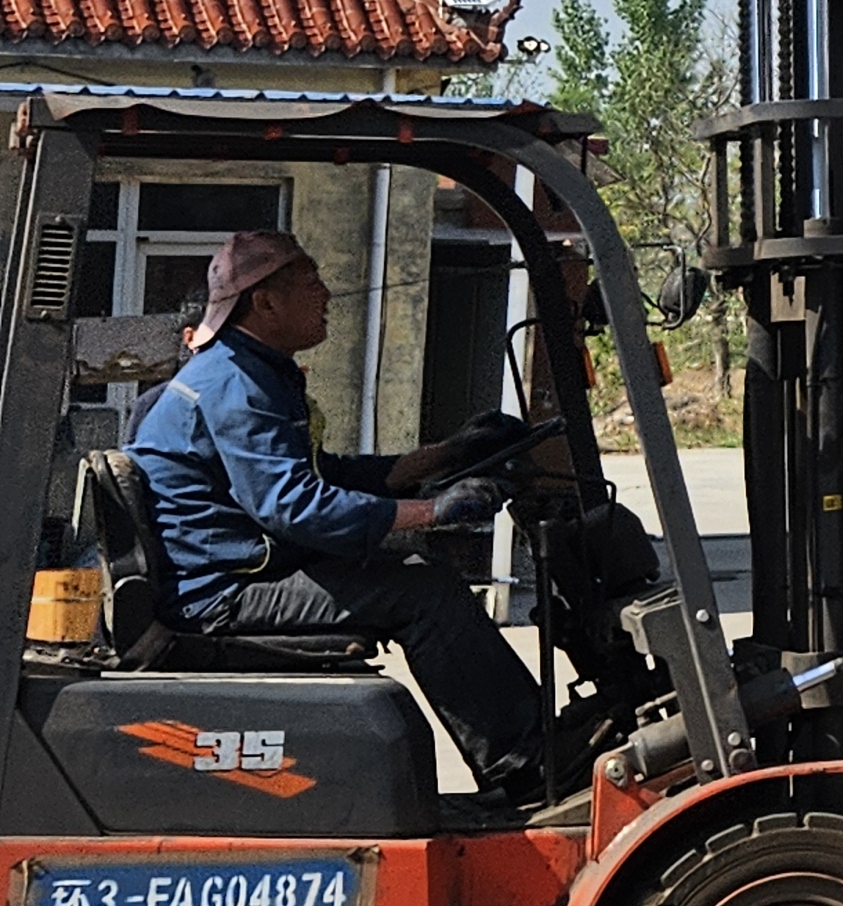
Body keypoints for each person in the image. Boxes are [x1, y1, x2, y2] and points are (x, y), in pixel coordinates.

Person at [128, 228, 549, 812]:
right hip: (221, 593)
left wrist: (440, 456)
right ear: (265, 302)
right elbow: (293, 505)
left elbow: (319, 475)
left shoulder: (256, 371)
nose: (327, 294)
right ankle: (531, 768)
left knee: (413, 574)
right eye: (310, 282)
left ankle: (528, 750)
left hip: (240, 570)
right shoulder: (235, 384)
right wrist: (433, 511)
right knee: (423, 592)